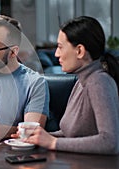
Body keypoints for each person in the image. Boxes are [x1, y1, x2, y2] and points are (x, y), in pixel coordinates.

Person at [15, 16, 119, 154]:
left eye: (60, 47)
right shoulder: (82, 81)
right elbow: (70, 134)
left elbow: (109, 142)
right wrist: (40, 137)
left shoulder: (99, 82)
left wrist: (53, 142)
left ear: (80, 51)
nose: (56, 54)